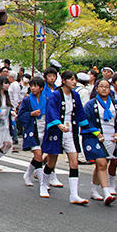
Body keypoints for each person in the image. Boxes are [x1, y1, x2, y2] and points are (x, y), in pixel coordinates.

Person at [41, 71, 90, 204]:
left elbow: (80, 112)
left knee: (74, 162)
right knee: (52, 162)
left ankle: (74, 194)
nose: (74, 82)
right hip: (57, 130)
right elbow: (51, 111)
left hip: (71, 130)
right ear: (64, 81)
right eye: (71, 79)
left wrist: (86, 127)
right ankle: (43, 184)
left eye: (75, 80)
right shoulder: (55, 95)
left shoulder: (76, 95)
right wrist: (58, 124)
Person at [82, 79, 117, 205]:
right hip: (94, 137)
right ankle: (107, 192)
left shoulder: (116, 104)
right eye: (101, 87)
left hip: (111, 137)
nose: (104, 89)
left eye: (107, 87)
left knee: (102, 164)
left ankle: (94, 189)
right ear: (96, 89)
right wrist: (96, 133)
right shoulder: (91, 104)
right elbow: (86, 121)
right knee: (102, 163)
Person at [17, 77, 47, 187]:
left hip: (43, 130)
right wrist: (30, 114)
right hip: (31, 130)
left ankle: (28, 174)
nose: (33, 88)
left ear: (41, 88)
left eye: (35, 86)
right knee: (38, 154)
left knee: (38, 156)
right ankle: (43, 182)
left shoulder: (46, 100)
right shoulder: (27, 100)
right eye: (31, 86)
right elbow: (20, 117)